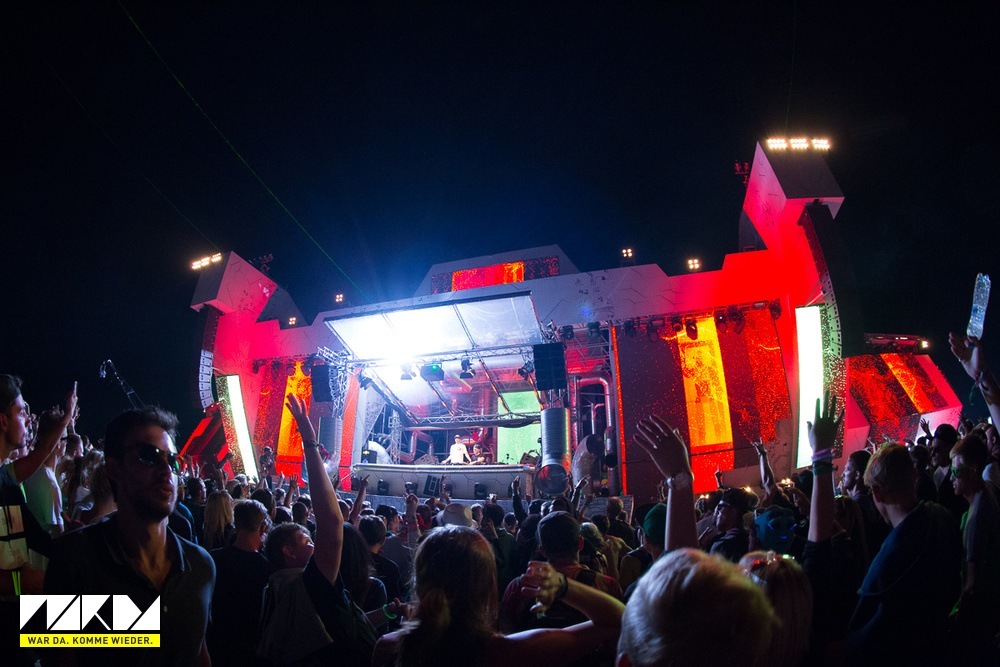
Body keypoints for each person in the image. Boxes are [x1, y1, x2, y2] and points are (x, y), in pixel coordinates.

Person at [44, 405, 215, 666]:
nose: (166, 470)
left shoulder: (201, 566)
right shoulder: (73, 558)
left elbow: (197, 651)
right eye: (149, 455)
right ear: (114, 468)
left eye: (172, 460)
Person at [373, 525, 624, 667]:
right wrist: (563, 586)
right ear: (487, 587)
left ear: (418, 582)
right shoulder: (511, 653)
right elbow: (620, 619)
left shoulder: (387, 648)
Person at [257, 394, 377, 665]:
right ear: (288, 552)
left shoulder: (274, 588)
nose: (313, 542)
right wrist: (309, 441)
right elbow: (332, 524)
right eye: (306, 540)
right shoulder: (308, 584)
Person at [844, 442, 963, 663]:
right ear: (914, 476)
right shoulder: (943, 517)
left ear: (877, 492)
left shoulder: (888, 562)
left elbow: (861, 641)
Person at [1, 377, 76, 665]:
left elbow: (41, 453)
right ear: (3, 421)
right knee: (126, 622)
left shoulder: (6, 475)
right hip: (11, 624)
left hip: (20, 615)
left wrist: (67, 418)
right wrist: (23, 582)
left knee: (133, 624)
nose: (28, 419)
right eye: (21, 412)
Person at [949, 434, 1000, 662]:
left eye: (956, 471)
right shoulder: (988, 490)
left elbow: (972, 584)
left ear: (973, 470)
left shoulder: (977, 516)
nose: (952, 477)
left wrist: (958, 621)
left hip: (982, 615)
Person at [208, 498, 271, 665]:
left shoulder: (213, 559)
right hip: (250, 650)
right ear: (263, 527)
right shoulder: (267, 569)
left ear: (236, 523)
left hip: (215, 645)